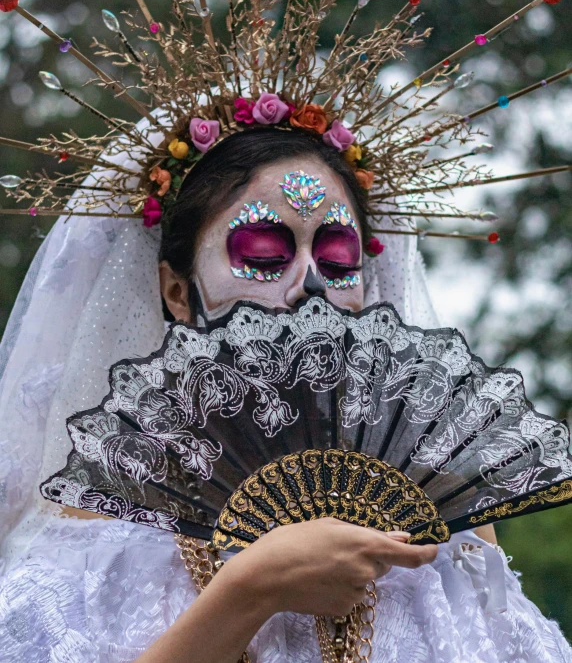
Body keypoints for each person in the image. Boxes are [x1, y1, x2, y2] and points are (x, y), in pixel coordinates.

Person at [0, 126, 571, 663]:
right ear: (177, 290)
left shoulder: (444, 527)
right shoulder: (95, 536)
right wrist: (250, 590)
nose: (311, 286)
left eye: (338, 260)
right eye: (266, 252)